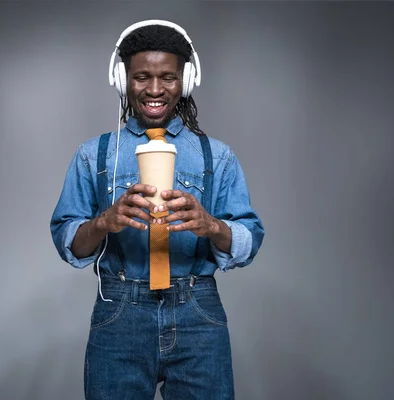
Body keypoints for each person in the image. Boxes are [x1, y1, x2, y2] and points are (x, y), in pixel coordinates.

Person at [50, 20, 265, 400]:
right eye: (141, 77)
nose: (154, 89)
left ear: (186, 80)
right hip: (119, 313)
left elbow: (249, 241)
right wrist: (104, 222)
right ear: (122, 79)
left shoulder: (217, 156)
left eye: (167, 77)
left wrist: (211, 225)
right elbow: (69, 243)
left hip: (198, 309)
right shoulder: (95, 155)